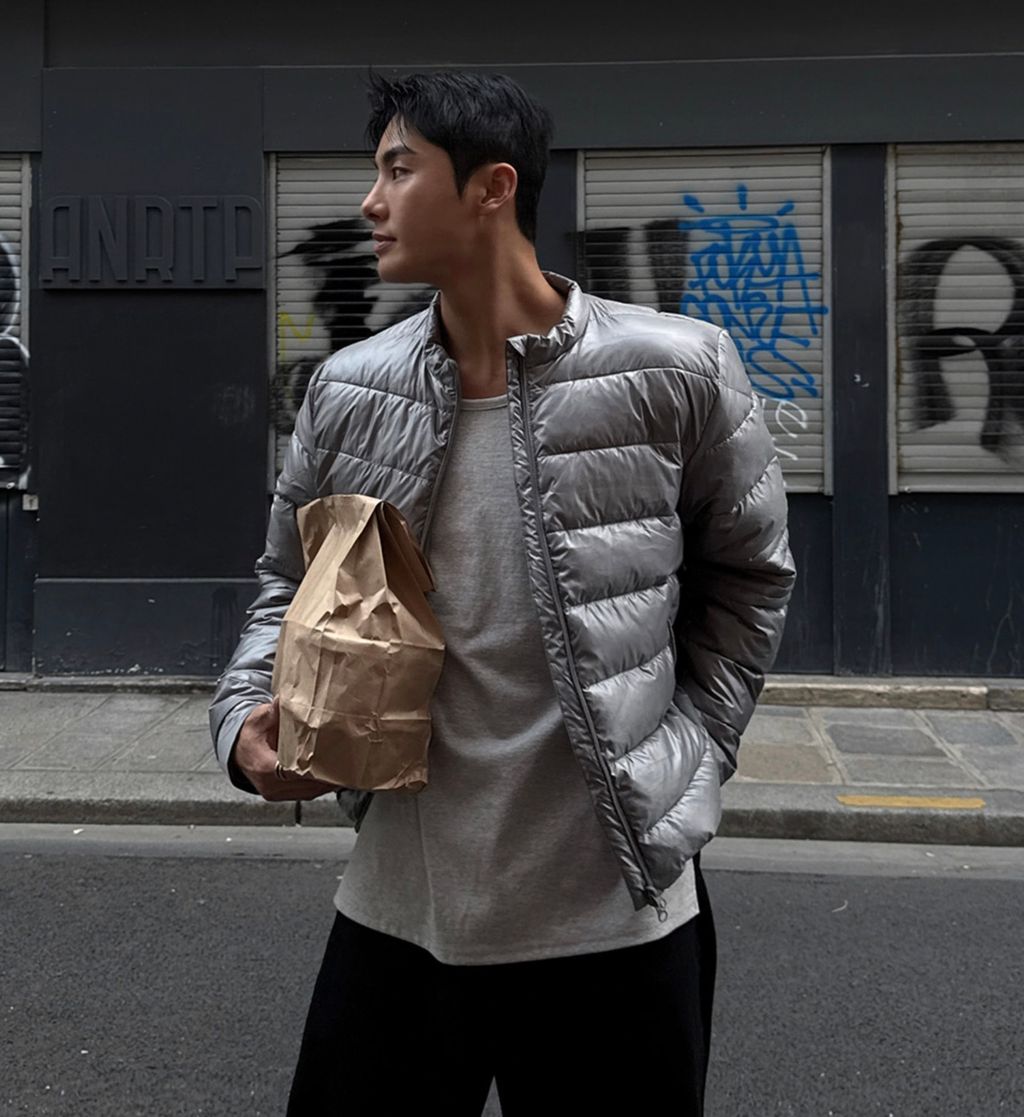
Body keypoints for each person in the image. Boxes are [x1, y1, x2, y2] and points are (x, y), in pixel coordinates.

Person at [209, 69, 795, 1116]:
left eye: (399, 169)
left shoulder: (677, 370)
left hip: (616, 923)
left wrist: (693, 752)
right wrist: (247, 715)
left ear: (492, 188)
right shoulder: (350, 390)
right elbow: (284, 583)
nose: (370, 201)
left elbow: (749, 578)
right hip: (401, 914)